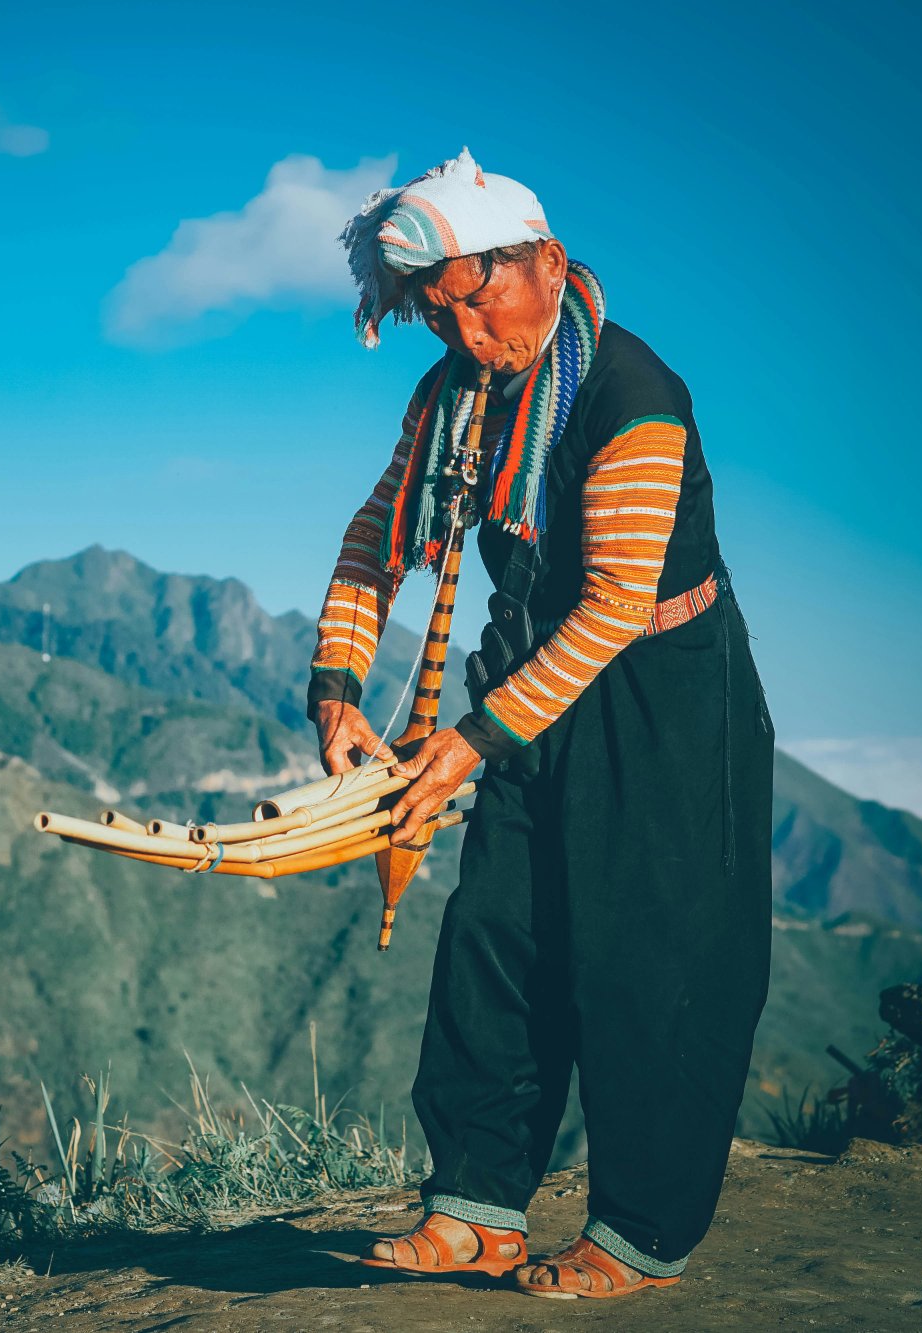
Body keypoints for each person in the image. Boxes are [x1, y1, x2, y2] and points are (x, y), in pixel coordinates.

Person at [309, 149, 773, 1300]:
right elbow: (375, 538)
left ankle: (639, 1231)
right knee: (495, 937)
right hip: (526, 689)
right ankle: (474, 1207)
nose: (467, 332)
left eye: (481, 295)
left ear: (546, 265)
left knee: (649, 958)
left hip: (661, 699)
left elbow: (617, 603)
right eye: (438, 312)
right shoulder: (451, 403)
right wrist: (334, 686)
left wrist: (468, 741)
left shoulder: (629, 393)